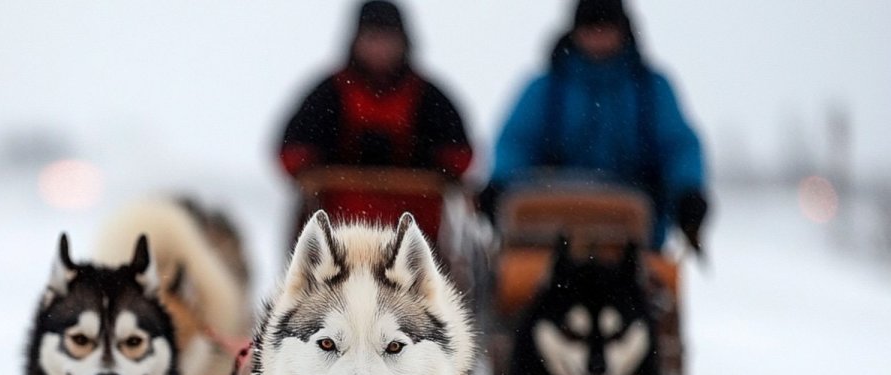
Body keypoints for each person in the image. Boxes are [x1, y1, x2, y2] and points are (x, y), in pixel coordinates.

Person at [480, 0, 709, 251]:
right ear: (576, 32)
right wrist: (500, 182)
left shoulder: (651, 89)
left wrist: (688, 191)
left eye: (606, 29)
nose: (598, 37)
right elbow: (516, 142)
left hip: (633, 233)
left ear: (623, 31)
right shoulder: (545, 89)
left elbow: (678, 146)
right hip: (549, 228)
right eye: (591, 29)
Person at [277, 0, 473, 241]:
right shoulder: (331, 93)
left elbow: (461, 156)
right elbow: (290, 152)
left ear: (403, 43)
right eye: (372, 39)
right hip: (337, 237)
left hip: (415, 239)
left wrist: (435, 171)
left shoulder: (427, 97)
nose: (380, 49)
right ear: (356, 42)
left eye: (387, 40)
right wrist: (312, 169)